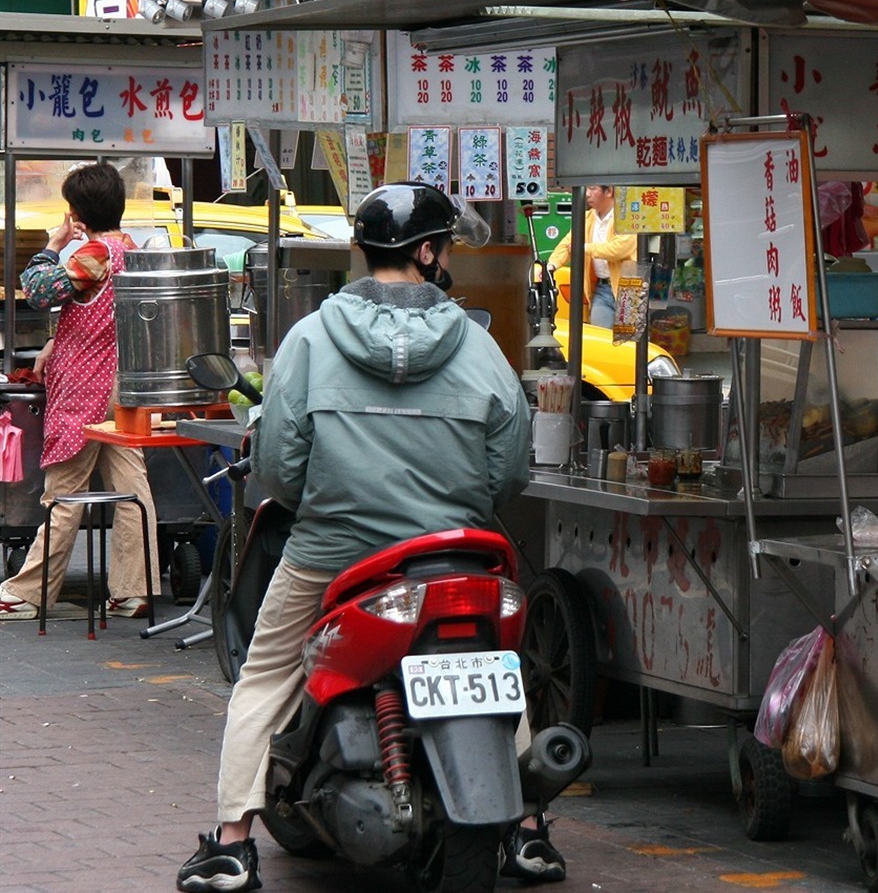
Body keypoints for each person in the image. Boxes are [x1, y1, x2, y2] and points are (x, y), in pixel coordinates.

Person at [176, 183, 559, 892]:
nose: (446, 259)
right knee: (494, 665)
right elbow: (509, 472)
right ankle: (530, 831)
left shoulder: (311, 340)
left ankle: (231, 842)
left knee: (265, 674)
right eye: (443, 248)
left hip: (332, 550)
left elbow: (280, 469)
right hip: (452, 553)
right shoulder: (479, 348)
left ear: (364, 250)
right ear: (426, 252)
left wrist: (327, 507)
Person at [0, 163, 160, 621]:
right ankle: (135, 587)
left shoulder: (96, 252)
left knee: (64, 493)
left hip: (85, 390)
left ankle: (28, 593)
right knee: (132, 487)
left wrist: (51, 246)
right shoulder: (130, 248)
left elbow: (38, 291)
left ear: (77, 213)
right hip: (122, 387)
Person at [547, 184, 636, 328]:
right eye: (587, 189)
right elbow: (567, 243)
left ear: (609, 191)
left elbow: (618, 249)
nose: (587, 194)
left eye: (593, 188)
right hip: (600, 289)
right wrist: (552, 265)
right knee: (602, 338)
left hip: (628, 288)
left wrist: (584, 248)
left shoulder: (627, 217)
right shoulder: (588, 218)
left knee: (628, 342)